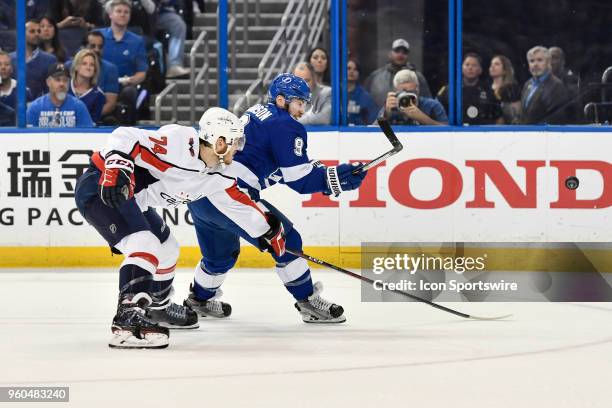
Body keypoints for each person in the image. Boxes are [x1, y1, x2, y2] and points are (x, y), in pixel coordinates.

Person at [74, 107, 285, 348]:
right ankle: (127, 320)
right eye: (235, 141)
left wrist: (267, 229)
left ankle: (157, 308)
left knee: (167, 248)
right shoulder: (180, 142)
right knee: (146, 245)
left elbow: (240, 203)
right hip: (103, 186)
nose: (239, 147)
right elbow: (126, 135)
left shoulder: (218, 175)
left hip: (133, 199)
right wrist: (117, 168)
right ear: (219, 141)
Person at [184, 73, 368, 324]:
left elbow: (278, 167)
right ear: (281, 100)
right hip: (230, 194)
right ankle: (308, 301)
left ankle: (199, 300)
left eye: (305, 103)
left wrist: (328, 176)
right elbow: (299, 179)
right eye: (299, 103)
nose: (303, 110)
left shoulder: (259, 112)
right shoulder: (286, 124)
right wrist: (333, 179)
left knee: (220, 255)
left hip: (202, 196)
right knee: (287, 238)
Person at [99, 0, 148, 125]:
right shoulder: (99, 36)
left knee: (130, 92)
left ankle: (128, 126)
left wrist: (130, 80)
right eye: (119, 11)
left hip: (124, 86)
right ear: (110, 14)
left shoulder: (137, 41)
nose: (122, 14)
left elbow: (142, 72)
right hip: (100, 84)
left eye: (126, 12)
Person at [364, 38, 432, 108]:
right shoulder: (375, 76)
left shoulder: (417, 77)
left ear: (408, 56)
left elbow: (428, 104)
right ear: (390, 53)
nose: (400, 55)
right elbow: (364, 102)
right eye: (397, 51)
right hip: (381, 118)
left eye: (404, 52)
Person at [26, 62, 94, 127]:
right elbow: (28, 136)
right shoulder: (35, 108)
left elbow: (88, 135)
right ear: (48, 82)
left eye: (65, 80)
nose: (62, 84)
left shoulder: (79, 107)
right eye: (57, 80)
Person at [520, 46, 569, 124]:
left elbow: (556, 120)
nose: (535, 64)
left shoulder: (556, 85)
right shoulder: (527, 84)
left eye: (539, 60)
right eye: (532, 61)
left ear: (548, 63)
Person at [10, 19, 58, 99]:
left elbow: (52, 90)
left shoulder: (50, 60)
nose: (37, 34)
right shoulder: (9, 59)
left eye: (39, 31)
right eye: (32, 31)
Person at [380, 69, 447, 125]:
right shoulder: (392, 105)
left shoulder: (432, 106)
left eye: (411, 93)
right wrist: (386, 115)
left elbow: (448, 132)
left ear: (418, 90)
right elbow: (373, 132)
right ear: (395, 92)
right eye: (402, 93)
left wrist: (422, 118)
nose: (407, 97)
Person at [460, 53, 502, 125]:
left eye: (474, 65)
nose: (470, 68)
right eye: (467, 65)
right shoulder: (450, 90)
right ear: (461, 68)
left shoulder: (489, 92)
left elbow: (499, 117)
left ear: (480, 70)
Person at [68, 49, 106, 123]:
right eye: (84, 64)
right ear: (76, 67)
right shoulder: (64, 87)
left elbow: (93, 123)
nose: (88, 68)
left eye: (92, 65)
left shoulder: (98, 95)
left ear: (95, 69)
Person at [155, 0, 191, 78]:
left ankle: (174, 64)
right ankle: (174, 62)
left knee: (178, 24)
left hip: (160, 12)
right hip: (140, 13)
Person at [489, 54, 521, 124]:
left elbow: (516, 115)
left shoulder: (511, 90)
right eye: (491, 64)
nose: (492, 66)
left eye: (497, 64)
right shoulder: (486, 88)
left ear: (505, 70)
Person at [347, 58, 379, 125]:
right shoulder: (336, 94)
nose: (352, 71)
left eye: (355, 69)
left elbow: (373, 120)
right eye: (348, 68)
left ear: (359, 73)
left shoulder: (365, 97)